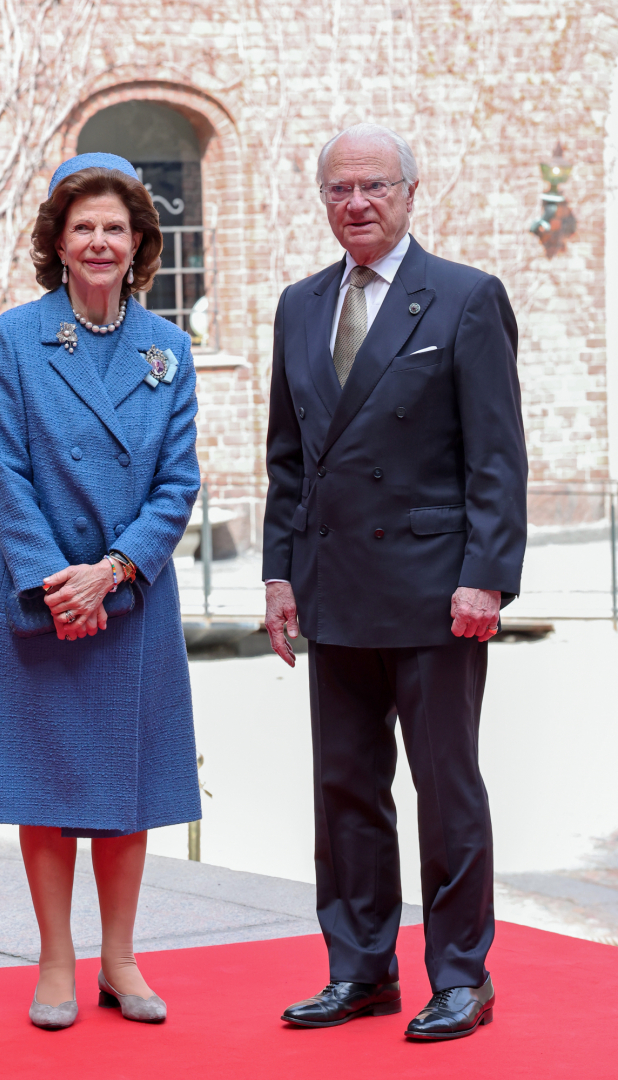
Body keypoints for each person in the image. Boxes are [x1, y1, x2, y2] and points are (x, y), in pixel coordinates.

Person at [262, 124, 528, 1041]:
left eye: (375, 185)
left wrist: (485, 577)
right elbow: (289, 462)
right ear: (324, 198)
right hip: (333, 586)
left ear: (413, 192)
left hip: (433, 591)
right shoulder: (299, 306)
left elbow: (496, 458)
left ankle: (461, 974)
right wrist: (278, 576)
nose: (357, 203)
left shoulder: (463, 298)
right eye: (340, 188)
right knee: (344, 789)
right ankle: (360, 970)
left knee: (445, 789)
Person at [0, 153, 202, 1030]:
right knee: (46, 788)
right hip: (38, 595)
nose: (99, 241)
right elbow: (5, 470)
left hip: (129, 596)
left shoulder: (169, 349)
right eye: (82, 226)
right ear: (58, 240)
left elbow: (178, 481)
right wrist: (59, 582)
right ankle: (56, 961)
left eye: (115, 228)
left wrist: (115, 570)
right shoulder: (16, 336)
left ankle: (120, 960)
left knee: (127, 790)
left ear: (138, 244)